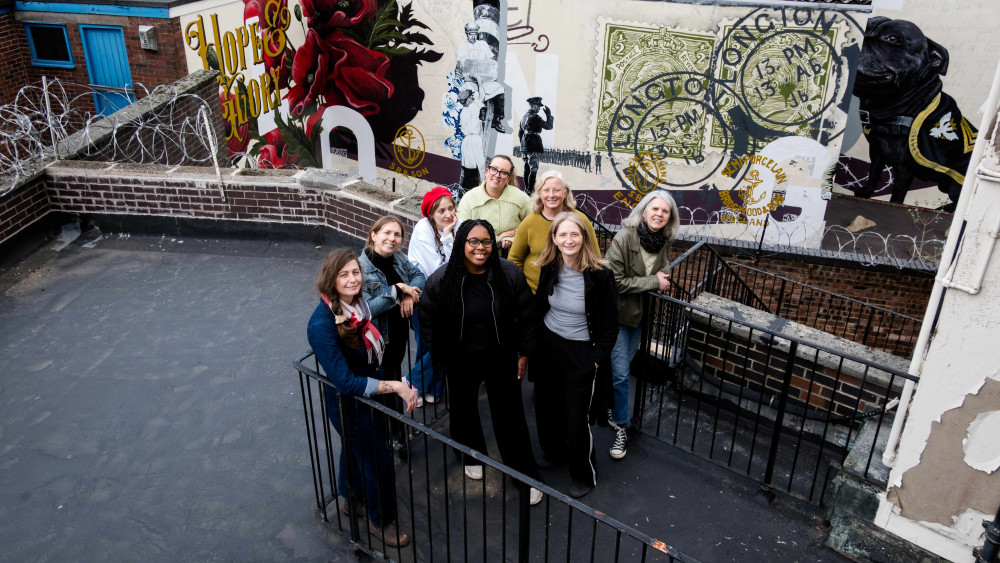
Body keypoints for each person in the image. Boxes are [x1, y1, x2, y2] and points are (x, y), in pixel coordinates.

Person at [419, 219, 543, 506]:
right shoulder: (441, 280)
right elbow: (427, 321)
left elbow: (527, 316)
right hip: (460, 357)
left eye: (486, 241)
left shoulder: (508, 274)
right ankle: (469, 454)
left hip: (500, 355)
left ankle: (523, 474)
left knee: (510, 416)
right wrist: (440, 354)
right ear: (462, 243)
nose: (481, 248)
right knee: (463, 410)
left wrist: (524, 353)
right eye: (473, 241)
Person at [306, 249, 419, 548]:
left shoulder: (357, 305)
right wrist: (394, 386)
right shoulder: (321, 325)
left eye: (355, 272)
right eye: (344, 274)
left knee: (355, 451)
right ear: (331, 279)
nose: (353, 279)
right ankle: (380, 521)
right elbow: (344, 382)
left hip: (366, 397)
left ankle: (351, 498)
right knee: (378, 463)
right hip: (350, 405)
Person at [532, 212, 618, 499]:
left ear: (584, 238)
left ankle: (584, 474)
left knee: (575, 417)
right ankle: (555, 453)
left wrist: (595, 359)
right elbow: (540, 306)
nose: (568, 240)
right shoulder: (549, 266)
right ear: (554, 239)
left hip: (581, 352)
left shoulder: (601, 275)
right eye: (562, 235)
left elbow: (609, 325)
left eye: (575, 234)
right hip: (549, 346)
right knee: (546, 407)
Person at [604, 189, 680, 460]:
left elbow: (663, 266)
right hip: (618, 316)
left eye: (665, 211)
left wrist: (664, 273)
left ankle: (612, 409)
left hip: (640, 315)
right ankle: (622, 428)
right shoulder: (625, 237)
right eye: (655, 209)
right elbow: (615, 281)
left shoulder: (663, 240)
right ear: (644, 211)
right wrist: (654, 282)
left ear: (669, 217)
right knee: (622, 373)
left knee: (621, 369)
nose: (659, 214)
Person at [359, 216, 426, 416]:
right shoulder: (360, 268)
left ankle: (396, 428)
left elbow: (418, 276)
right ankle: (393, 434)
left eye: (397, 234)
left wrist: (408, 294)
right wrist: (397, 290)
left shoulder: (397, 258)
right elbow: (367, 309)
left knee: (395, 378)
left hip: (398, 334)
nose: (392, 238)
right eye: (387, 233)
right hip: (380, 341)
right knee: (385, 386)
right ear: (374, 235)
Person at [405, 187, 459, 404]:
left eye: (451, 208)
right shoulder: (422, 229)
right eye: (441, 211)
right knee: (426, 344)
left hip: (449, 298)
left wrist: (450, 234)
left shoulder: (458, 224)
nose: (448, 215)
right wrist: (448, 237)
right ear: (431, 215)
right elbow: (441, 271)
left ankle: (433, 389)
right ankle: (414, 384)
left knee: (442, 343)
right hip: (425, 296)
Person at [508, 170, 600, 293]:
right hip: (535, 293)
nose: (551, 195)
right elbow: (515, 258)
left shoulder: (580, 219)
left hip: (572, 292)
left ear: (565, 193)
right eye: (546, 190)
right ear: (540, 194)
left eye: (556, 190)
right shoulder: (529, 222)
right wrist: (521, 289)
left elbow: (594, 256)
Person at [456, 155, 531, 252]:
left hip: (512, 258)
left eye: (504, 172)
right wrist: (496, 239)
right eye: (494, 169)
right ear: (486, 172)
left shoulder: (521, 198)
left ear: (508, 178)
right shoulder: (469, 198)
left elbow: (532, 226)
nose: (497, 175)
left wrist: (512, 237)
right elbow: (462, 232)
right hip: (477, 256)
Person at [519, 97, 554, 195]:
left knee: (526, 167)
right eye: (538, 106)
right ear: (533, 106)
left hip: (525, 144)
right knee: (533, 168)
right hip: (533, 144)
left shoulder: (524, 117)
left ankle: (526, 189)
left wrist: (523, 144)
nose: (539, 109)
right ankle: (530, 190)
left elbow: (520, 133)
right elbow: (549, 126)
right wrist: (549, 115)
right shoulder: (535, 117)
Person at [458, 87, 486, 192]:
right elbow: (482, 98)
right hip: (474, 140)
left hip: (467, 141)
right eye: (471, 97)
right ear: (468, 99)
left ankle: (466, 192)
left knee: (468, 169)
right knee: (476, 168)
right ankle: (472, 193)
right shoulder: (473, 108)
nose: (472, 98)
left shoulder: (463, 111)